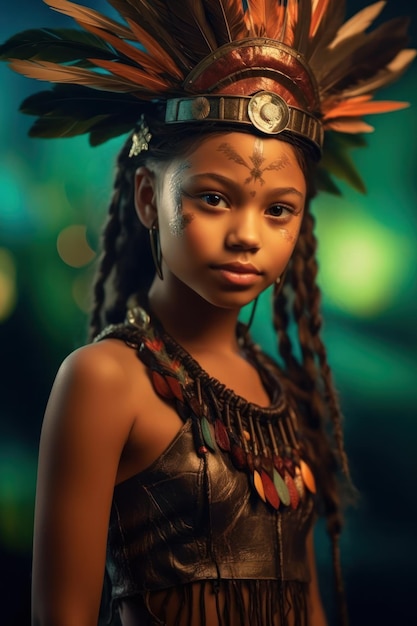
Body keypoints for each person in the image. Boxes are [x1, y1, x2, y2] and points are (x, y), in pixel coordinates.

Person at [1, 1, 414, 625]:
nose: (248, 234)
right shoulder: (104, 381)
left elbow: (307, 604)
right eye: (215, 198)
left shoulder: (285, 392)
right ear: (147, 197)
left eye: (279, 209)